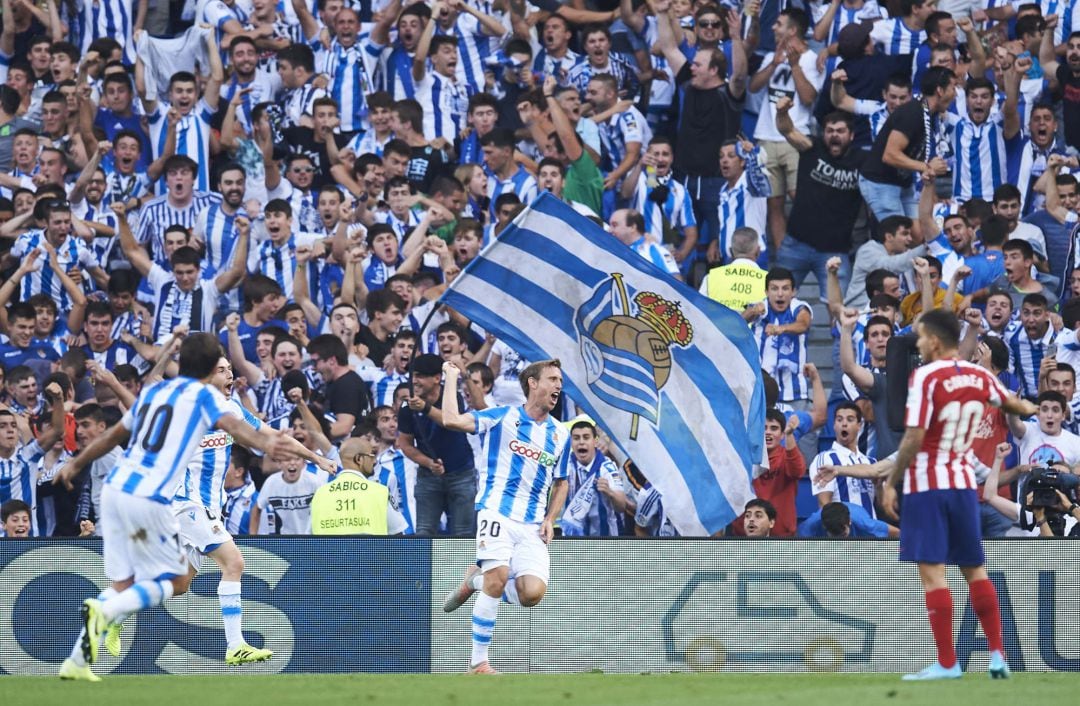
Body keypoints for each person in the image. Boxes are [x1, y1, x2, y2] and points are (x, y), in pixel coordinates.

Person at [53, 333, 332, 681]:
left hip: (119, 492)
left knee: (173, 583)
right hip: (170, 500)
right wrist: (269, 444)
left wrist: (75, 465)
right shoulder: (206, 400)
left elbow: (113, 436)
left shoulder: (157, 392)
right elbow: (246, 434)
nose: (229, 375)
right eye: (222, 367)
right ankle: (234, 645)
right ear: (207, 369)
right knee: (233, 562)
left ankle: (80, 657)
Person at [882, 309, 1037, 680]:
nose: (918, 345)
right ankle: (998, 655)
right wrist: (1030, 406)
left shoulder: (925, 376)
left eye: (920, 338)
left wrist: (892, 482)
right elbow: (1013, 404)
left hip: (927, 484)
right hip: (965, 483)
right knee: (975, 570)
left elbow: (915, 435)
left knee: (934, 573)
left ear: (934, 341)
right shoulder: (979, 375)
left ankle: (947, 663)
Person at [438, 359, 571, 674]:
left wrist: (550, 518)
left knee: (531, 594)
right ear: (532, 384)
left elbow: (562, 482)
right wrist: (451, 377)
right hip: (496, 510)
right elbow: (450, 419)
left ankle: (476, 580)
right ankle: (478, 663)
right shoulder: (502, 416)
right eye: (552, 379)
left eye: (560, 381)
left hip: (532, 523)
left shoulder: (560, 434)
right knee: (499, 580)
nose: (558, 386)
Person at [397, 353, 477, 536]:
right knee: (424, 532)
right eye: (413, 376)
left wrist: (424, 408)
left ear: (437, 378)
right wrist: (428, 463)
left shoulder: (453, 397)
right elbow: (406, 445)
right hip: (428, 476)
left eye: (421, 376)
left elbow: (450, 420)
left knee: (463, 534)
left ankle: (463, 566)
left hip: (462, 474)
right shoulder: (406, 408)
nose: (415, 381)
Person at [310, 436, 408, 535]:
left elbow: (306, 540)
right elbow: (398, 536)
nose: (374, 461)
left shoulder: (320, 494)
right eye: (371, 456)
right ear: (359, 459)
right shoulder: (379, 492)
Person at [798, 501, 898, 538]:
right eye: (834, 537)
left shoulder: (865, 524)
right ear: (824, 526)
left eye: (843, 535)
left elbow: (898, 533)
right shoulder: (809, 526)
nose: (839, 541)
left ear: (849, 522)